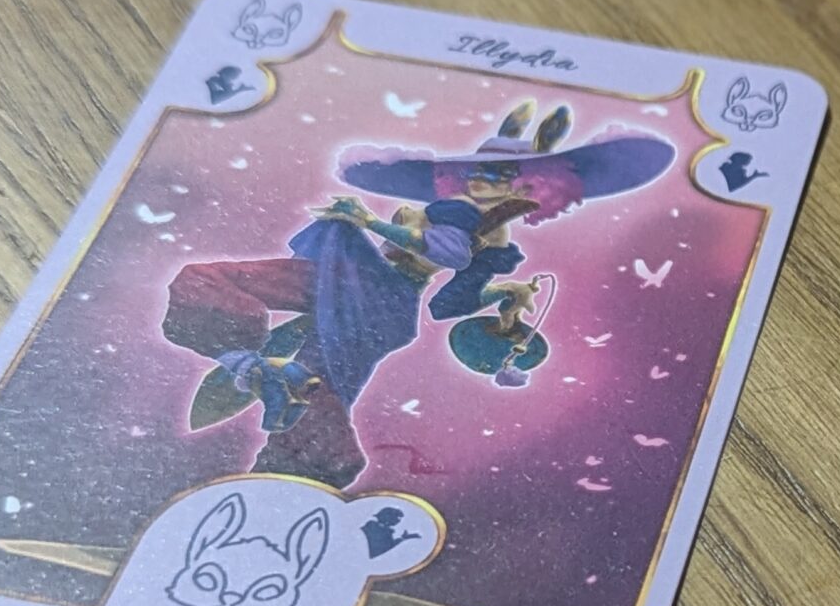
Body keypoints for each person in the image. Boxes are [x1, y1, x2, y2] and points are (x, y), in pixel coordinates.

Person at [164, 101, 670, 487]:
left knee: (318, 391)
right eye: (478, 171)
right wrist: (503, 293)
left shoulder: (484, 229)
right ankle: (248, 365)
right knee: (209, 280)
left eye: (501, 176)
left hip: (379, 299)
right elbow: (449, 300)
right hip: (348, 273)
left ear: (532, 186)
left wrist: (369, 221)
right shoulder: (464, 213)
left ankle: (289, 478)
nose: (483, 181)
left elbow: (447, 258)